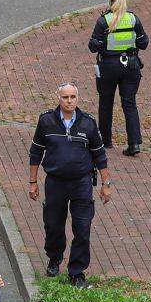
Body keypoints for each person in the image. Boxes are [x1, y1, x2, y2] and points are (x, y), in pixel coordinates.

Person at [28, 83, 112, 285]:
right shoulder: (46, 121)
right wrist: (33, 181)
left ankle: (77, 271)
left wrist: (106, 183)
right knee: (53, 224)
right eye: (65, 97)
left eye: (73, 97)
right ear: (58, 98)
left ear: (78, 98)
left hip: (81, 183)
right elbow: (36, 152)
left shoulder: (88, 123)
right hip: (55, 183)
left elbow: (100, 154)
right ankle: (55, 258)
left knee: (82, 227)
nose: (69, 101)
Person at [88, 0, 149, 156]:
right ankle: (134, 143)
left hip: (109, 66)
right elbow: (144, 43)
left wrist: (104, 43)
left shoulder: (104, 21)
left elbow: (93, 46)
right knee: (130, 103)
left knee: (106, 102)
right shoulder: (133, 19)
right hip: (131, 66)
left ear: (110, 3)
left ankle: (105, 141)